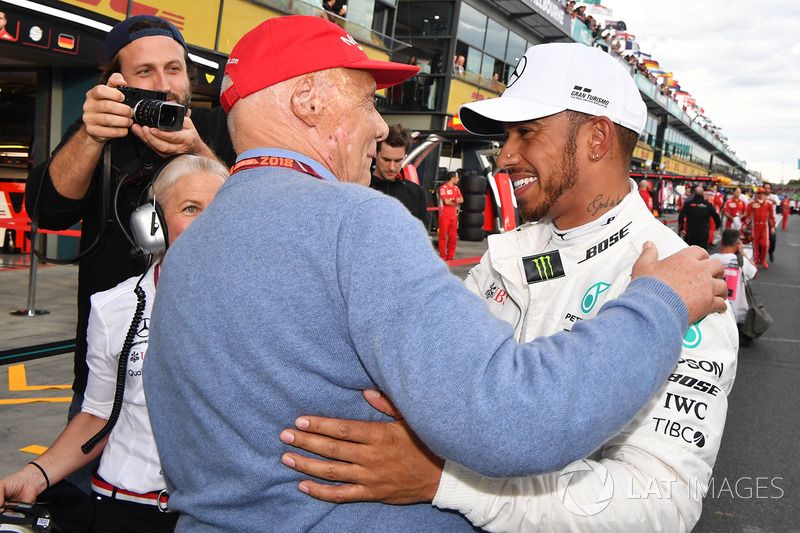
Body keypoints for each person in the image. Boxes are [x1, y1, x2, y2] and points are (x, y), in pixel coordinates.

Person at [142, 18, 727, 531]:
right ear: (308, 102)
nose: (379, 126)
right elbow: (501, 415)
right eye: (368, 100)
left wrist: (442, 479)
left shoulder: (190, 243)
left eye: (526, 132)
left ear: (599, 137)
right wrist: (656, 306)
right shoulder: (369, 226)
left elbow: (664, 500)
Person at [23, 15, 234, 445]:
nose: (164, 84)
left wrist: (195, 149)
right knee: (86, 493)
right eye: (145, 72)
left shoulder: (215, 131)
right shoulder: (99, 136)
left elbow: (250, 223)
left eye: (174, 69)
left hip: (202, 371)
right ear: (118, 81)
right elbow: (47, 212)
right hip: (107, 378)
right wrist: (91, 135)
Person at [0, 155, 228, 533]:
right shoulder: (114, 308)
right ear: (153, 224)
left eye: (219, 209)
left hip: (215, 513)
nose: (208, 223)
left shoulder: (260, 309)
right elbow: (98, 414)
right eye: (190, 208)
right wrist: (36, 475)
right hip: (124, 506)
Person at [369, 124, 428, 225]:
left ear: (404, 157)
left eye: (397, 161)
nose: (392, 167)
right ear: (376, 154)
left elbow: (420, 236)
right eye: (386, 160)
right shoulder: (360, 187)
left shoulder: (417, 193)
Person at [711, 229, 757, 346]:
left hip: (713, 309)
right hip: (736, 313)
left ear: (722, 242)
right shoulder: (740, 261)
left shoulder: (711, 259)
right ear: (737, 244)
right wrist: (742, 252)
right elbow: (754, 272)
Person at [679, 185, 721, 250]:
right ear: (703, 193)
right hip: (703, 233)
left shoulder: (688, 204)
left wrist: (681, 228)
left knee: (689, 251)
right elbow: (716, 216)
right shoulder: (707, 205)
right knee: (702, 251)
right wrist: (718, 225)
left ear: (694, 193)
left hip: (690, 232)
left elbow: (681, 216)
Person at [744, 187, 775, 269]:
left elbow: (771, 217)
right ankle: (756, 260)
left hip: (764, 226)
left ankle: (763, 259)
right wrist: (745, 225)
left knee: (765, 245)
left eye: (763, 194)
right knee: (755, 244)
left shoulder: (769, 204)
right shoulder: (751, 204)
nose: (761, 195)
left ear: (765, 195)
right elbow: (748, 216)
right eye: (759, 193)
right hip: (755, 226)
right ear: (757, 194)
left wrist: (772, 227)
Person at [437, 171, 462, 260]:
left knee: (453, 237)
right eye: (457, 177)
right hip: (444, 215)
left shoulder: (456, 188)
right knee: (443, 236)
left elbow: (461, 200)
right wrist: (455, 201)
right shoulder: (443, 188)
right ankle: (443, 256)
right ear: (453, 178)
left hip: (453, 215)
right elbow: (446, 202)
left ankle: (450, 256)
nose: (458, 179)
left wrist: (452, 200)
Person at [764, 182, 779, 260]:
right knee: (760, 240)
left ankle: (771, 253)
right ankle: (760, 257)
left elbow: (776, 202)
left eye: (768, 188)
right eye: (765, 188)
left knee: (772, 239)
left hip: (771, 221)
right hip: (761, 220)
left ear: (770, 189)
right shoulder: (758, 196)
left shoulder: (774, 196)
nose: (766, 190)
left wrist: (766, 199)